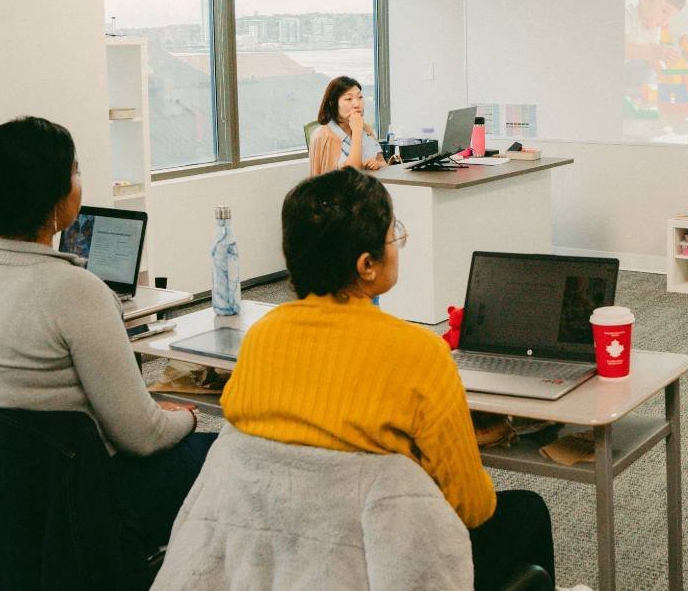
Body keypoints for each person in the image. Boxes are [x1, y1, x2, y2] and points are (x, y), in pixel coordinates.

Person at [220, 169, 556, 589]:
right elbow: (471, 506)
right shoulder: (418, 352)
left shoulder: (261, 339)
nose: (397, 244)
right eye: (391, 234)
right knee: (526, 511)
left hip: (282, 557)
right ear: (366, 265)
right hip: (380, 564)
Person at [0, 116, 214, 553]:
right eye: (76, 171)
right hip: (77, 501)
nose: (80, 182)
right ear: (54, 198)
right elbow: (141, 437)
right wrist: (189, 416)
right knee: (226, 455)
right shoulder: (76, 291)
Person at [308, 75, 385, 175]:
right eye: (348, 99)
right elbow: (349, 175)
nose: (357, 104)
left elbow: (383, 162)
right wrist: (357, 132)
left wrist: (378, 165)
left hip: (371, 187)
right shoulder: (324, 136)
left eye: (360, 97)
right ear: (333, 103)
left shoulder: (366, 129)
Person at [624, 0, 687, 65]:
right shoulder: (627, 16)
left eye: (671, 16)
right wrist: (654, 52)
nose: (666, 20)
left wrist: (664, 72)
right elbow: (620, 49)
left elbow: (653, 59)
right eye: (664, 11)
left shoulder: (654, 26)